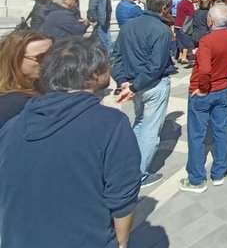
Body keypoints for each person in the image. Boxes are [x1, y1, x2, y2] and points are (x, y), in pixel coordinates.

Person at [0, 37, 141, 248]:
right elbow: (122, 196)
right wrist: (121, 243)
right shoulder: (111, 124)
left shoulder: (14, 124)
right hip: (86, 238)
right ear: (94, 74)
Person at [112, 0, 175, 188]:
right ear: (164, 7)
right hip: (152, 85)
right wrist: (133, 85)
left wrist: (124, 81)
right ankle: (138, 174)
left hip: (134, 83)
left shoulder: (128, 26)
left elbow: (116, 57)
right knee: (150, 129)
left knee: (139, 122)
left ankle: (126, 164)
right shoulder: (161, 30)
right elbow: (156, 65)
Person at [180, 4, 227, 193]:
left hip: (205, 91)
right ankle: (219, 172)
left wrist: (203, 88)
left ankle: (197, 178)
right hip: (223, 88)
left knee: (197, 134)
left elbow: (205, 70)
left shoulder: (207, 41)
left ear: (211, 21)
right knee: (221, 131)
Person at [0, 30, 53, 128]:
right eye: (40, 57)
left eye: (53, 54)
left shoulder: (45, 86)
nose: (49, 61)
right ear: (15, 60)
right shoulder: (15, 104)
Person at [174, 0, 195, 65]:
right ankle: (184, 57)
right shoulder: (189, 4)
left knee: (179, 41)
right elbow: (191, 14)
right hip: (184, 25)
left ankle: (180, 56)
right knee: (186, 41)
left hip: (177, 24)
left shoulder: (180, 2)